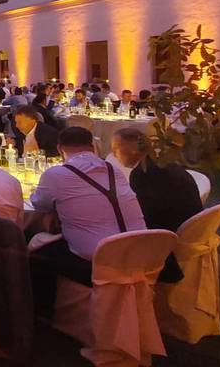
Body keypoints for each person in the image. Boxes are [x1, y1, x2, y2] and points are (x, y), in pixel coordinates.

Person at [30, 127, 146, 317]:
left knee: (35, 245)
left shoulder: (56, 175)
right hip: (138, 253)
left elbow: (38, 204)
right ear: (92, 147)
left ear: (60, 149)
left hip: (98, 261)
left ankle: (45, 314)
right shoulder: (114, 170)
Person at [108, 128, 202, 232]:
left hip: (170, 235)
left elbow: (143, 215)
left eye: (116, 147)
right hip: (194, 228)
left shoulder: (142, 174)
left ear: (133, 149)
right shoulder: (164, 162)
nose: (113, 153)